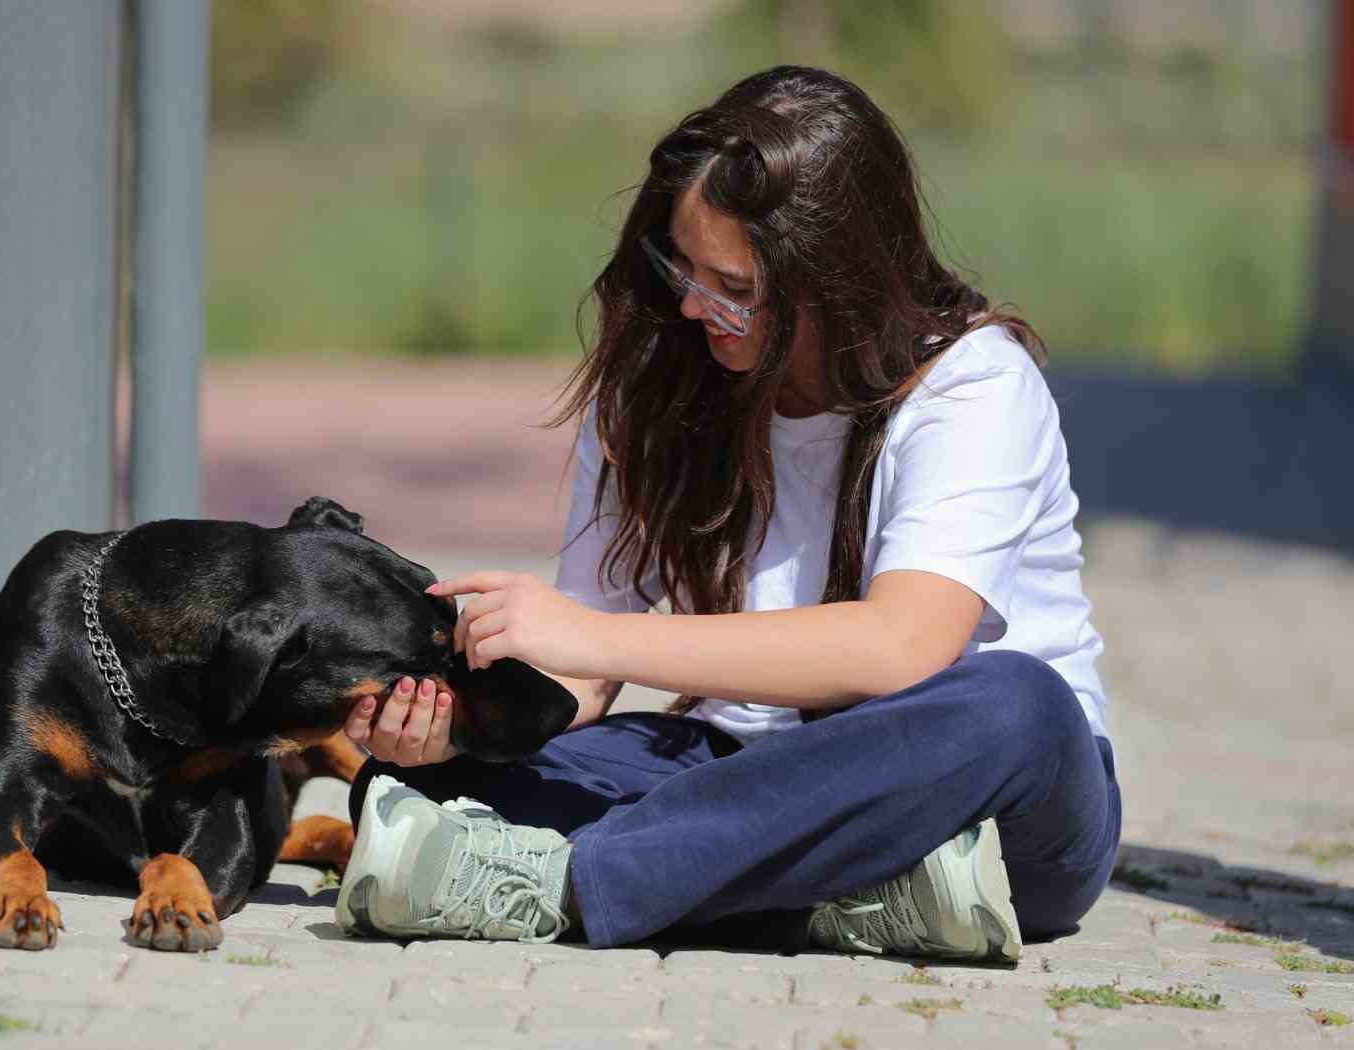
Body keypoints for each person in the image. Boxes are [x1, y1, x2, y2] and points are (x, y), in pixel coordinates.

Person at [333, 65, 1119, 963]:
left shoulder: (972, 384)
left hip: (976, 784)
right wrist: (458, 729)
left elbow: (900, 648)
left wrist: (595, 639)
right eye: (682, 267)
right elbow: (582, 681)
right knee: (405, 790)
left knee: (1021, 704)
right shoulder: (656, 389)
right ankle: (847, 902)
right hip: (737, 767)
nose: (693, 306)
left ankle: (564, 885)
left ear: (839, 271)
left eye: (734, 285)